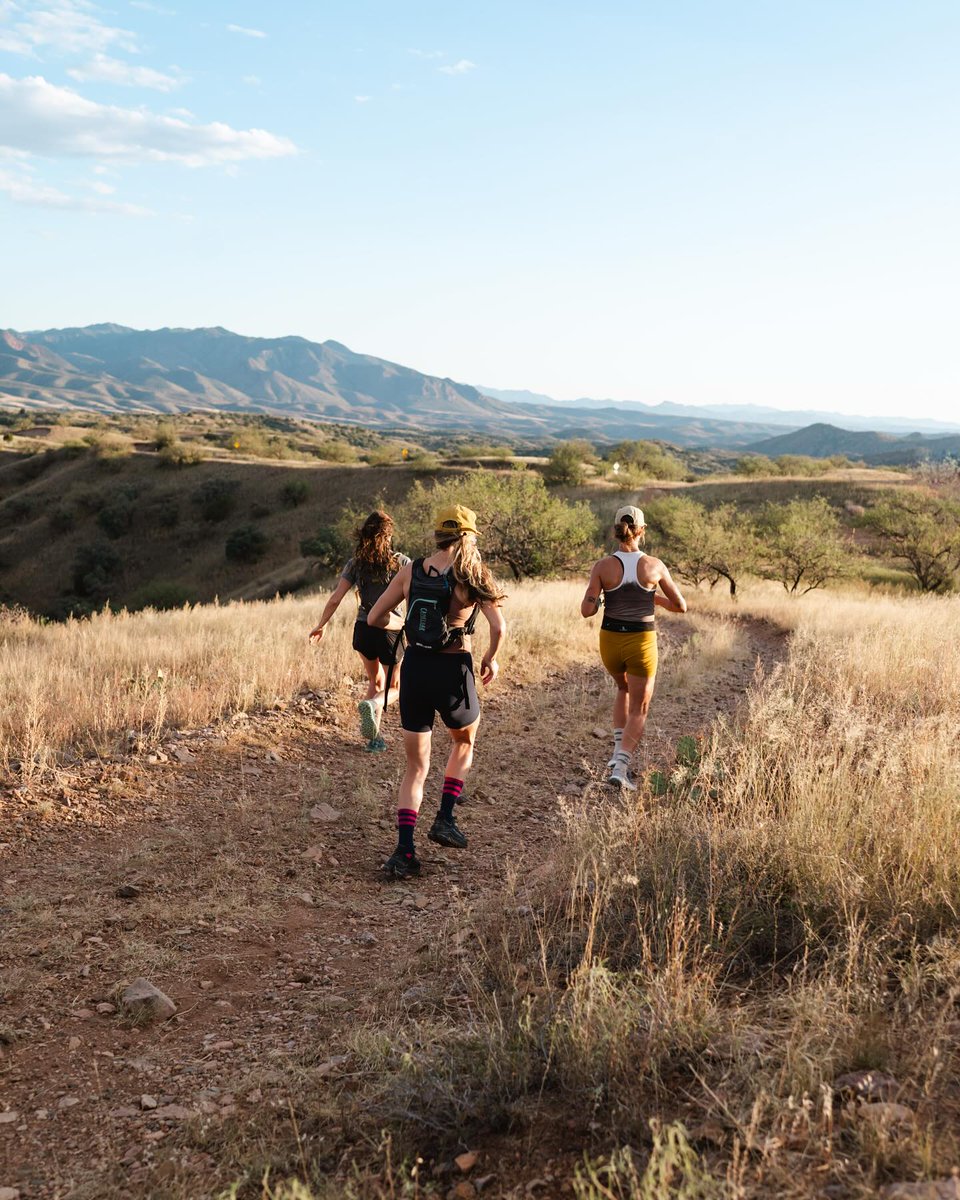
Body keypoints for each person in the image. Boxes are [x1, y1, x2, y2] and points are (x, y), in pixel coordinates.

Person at [367, 504, 506, 879]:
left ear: (438, 534)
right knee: (463, 741)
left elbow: (374, 618)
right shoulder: (472, 572)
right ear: (468, 536)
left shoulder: (410, 570)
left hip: (415, 668)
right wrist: (490, 659)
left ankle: (404, 851)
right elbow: (499, 627)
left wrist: (406, 623)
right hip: (453, 669)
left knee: (415, 767)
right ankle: (445, 817)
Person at [580, 505, 687, 789]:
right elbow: (680, 606)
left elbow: (586, 611)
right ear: (642, 530)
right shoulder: (655, 565)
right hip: (641, 642)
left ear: (616, 530)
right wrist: (653, 598)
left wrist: (601, 597)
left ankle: (616, 755)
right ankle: (621, 767)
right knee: (640, 708)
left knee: (622, 688)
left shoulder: (602, 566)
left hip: (610, 641)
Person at [308, 511, 411, 750]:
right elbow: (412, 597)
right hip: (390, 630)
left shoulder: (355, 563)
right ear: (389, 534)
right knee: (393, 688)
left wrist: (321, 625)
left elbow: (335, 598)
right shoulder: (402, 563)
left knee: (375, 682)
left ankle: (374, 740)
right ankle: (374, 707)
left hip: (362, 629)